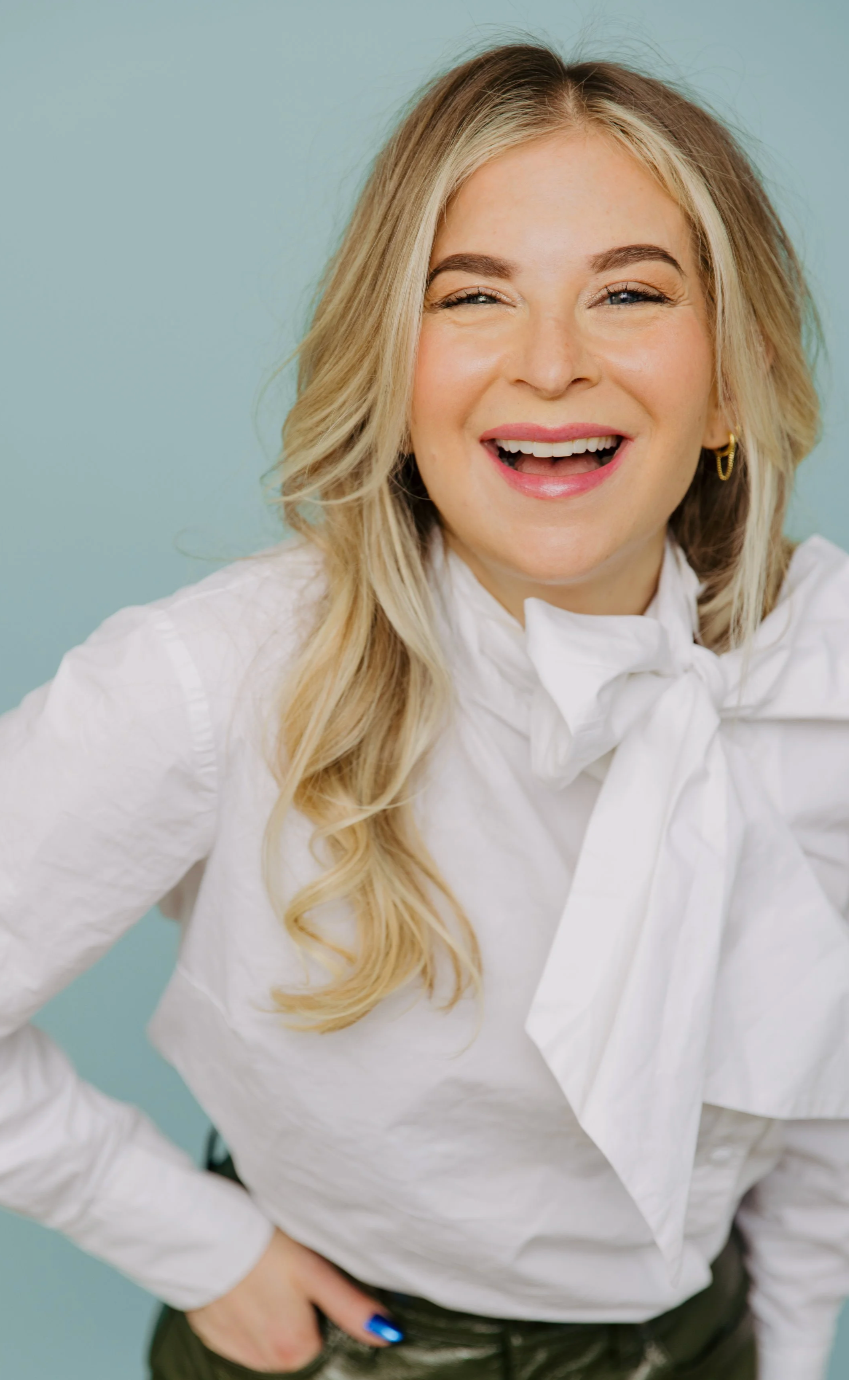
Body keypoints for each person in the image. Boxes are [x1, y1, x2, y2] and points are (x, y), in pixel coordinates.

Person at [1, 41, 848, 1380]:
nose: (552, 364)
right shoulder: (221, 676)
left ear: (732, 382)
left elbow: (821, 1108)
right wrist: (192, 1244)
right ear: (394, 377)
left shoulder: (818, 675)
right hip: (353, 1354)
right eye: (474, 297)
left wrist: (790, 1356)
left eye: (629, 291)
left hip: (706, 1343)